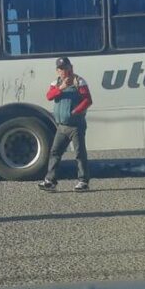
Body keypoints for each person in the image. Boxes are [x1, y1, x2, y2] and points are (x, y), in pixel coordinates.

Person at [39, 56, 93, 191]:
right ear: (57, 71)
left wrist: (76, 111)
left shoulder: (79, 81)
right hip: (61, 126)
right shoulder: (55, 83)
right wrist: (61, 87)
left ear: (71, 68)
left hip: (76, 125)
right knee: (55, 152)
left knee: (79, 153)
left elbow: (88, 100)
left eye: (66, 68)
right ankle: (50, 181)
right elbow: (49, 96)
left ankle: (83, 181)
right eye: (61, 69)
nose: (64, 71)